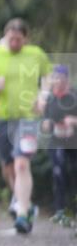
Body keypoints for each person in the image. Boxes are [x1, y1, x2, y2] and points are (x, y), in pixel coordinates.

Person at [0, 18, 53, 234]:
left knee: (21, 164)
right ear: (5, 36)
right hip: (1, 117)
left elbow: (48, 77)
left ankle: (21, 213)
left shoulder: (36, 54)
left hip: (27, 117)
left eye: (19, 39)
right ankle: (25, 204)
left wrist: (43, 96)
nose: (15, 43)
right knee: (8, 167)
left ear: (26, 39)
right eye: (11, 39)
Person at [38, 64, 77, 222]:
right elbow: (43, 121)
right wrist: (46, 124)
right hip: (56, 141)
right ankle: (60, 210)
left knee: (74, 173)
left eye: (60, 77)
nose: (57, 81)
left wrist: (73, 121)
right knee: (58, 172)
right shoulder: (49, 98)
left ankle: (73, 210)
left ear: (66, 79)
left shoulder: (74, 95)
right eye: (55, 78)